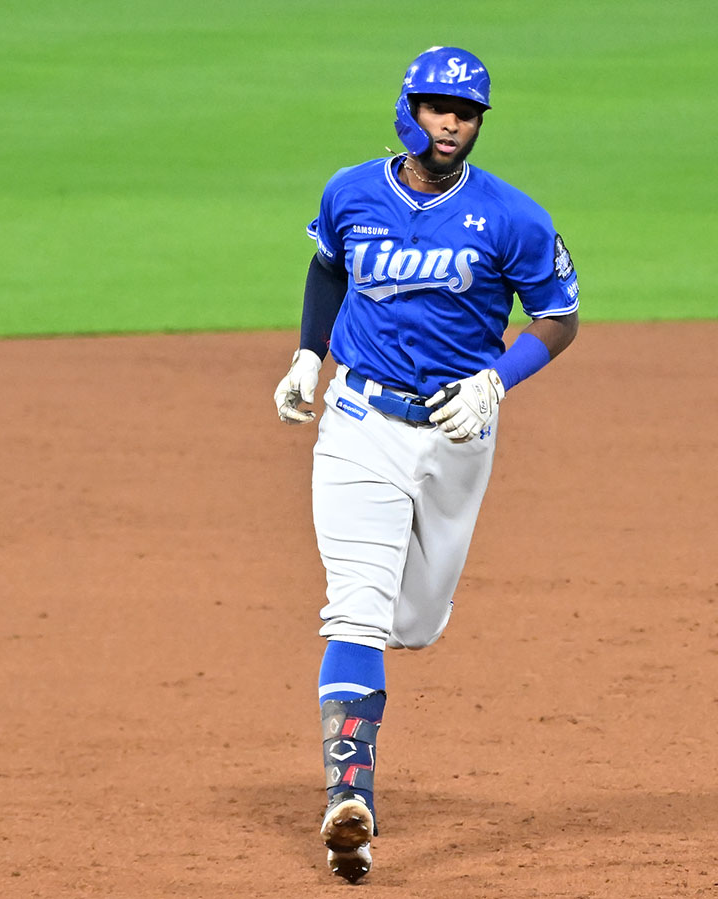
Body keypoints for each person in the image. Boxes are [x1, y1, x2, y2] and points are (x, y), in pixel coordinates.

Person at [272, 45, 579, 883]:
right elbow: (328, 265)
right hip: (360, 423)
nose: (453, 122)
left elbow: (558, 316)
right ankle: (350, 799)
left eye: (468, 111)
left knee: (415, 620)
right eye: (440, 105)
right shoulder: (352, 191)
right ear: (409, 105)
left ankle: (366, 715)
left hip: (455, 435)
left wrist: (495, 382)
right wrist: (309, 355)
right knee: (357, 609)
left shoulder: (512, 216)